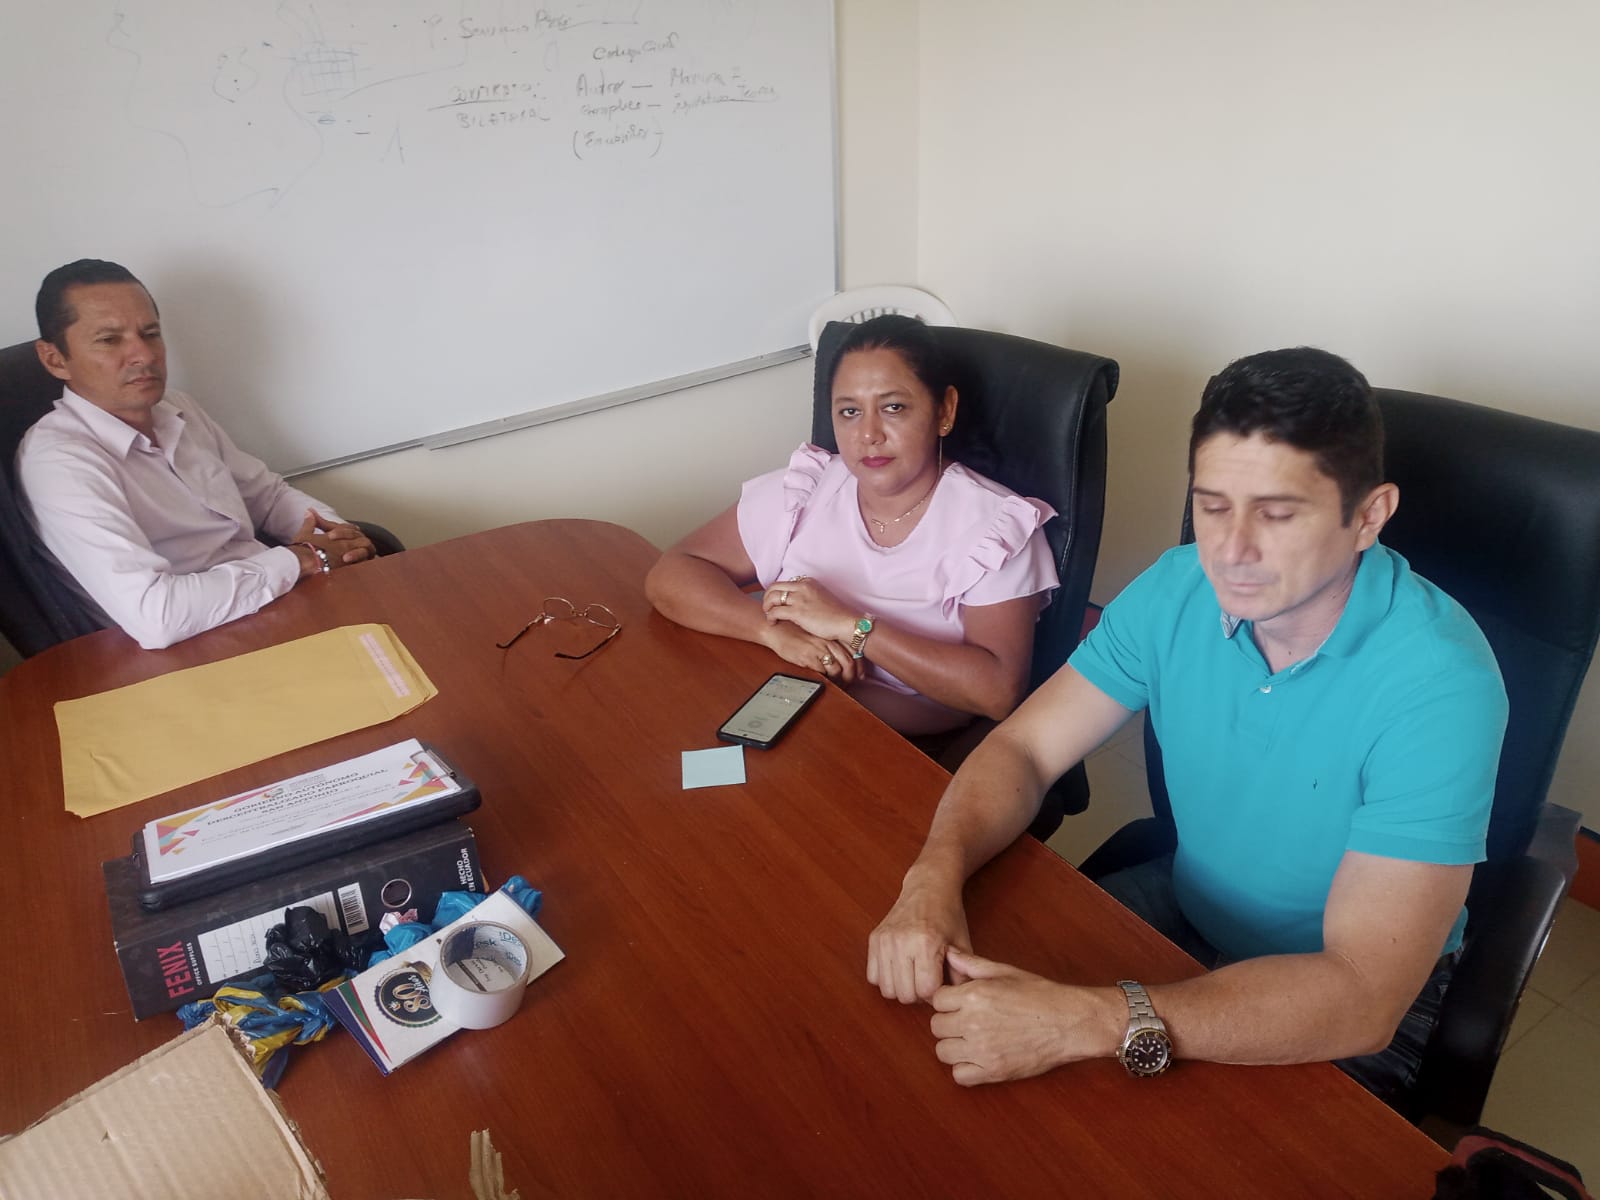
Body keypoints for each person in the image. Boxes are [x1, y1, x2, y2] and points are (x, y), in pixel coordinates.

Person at [866, 346, 1508, 1107]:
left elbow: (1362, 997)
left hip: (1344, 991)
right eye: (1213, 506)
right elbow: (1026, 747)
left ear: (1369, 515)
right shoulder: (1177, 587)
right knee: (940, 1039)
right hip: (1193, 902)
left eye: (1277, 513)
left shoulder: (1440, 684)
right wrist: (931, 880)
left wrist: (1089, 1021)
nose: (1231, 552)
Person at [646, 315, 1059, 738]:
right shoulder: (808, 488)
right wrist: (771, 633)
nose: (868, 435)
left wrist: (852, 626)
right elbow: (672, 573)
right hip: (781, 699)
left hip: (888, 743)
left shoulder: (996, 527)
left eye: (893, 407)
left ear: (944, 410)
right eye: (849, 412)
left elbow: (996, 692)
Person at [17, 259, 376, 650]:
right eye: (110, 340)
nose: (143, 354)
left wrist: (339, 538)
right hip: (195, 649)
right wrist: (302, 559)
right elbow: (156, 617)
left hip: (276, 603)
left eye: (150, 333)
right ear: (55, 359)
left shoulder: (178, 408)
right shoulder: (59, 462)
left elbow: (268, 497)